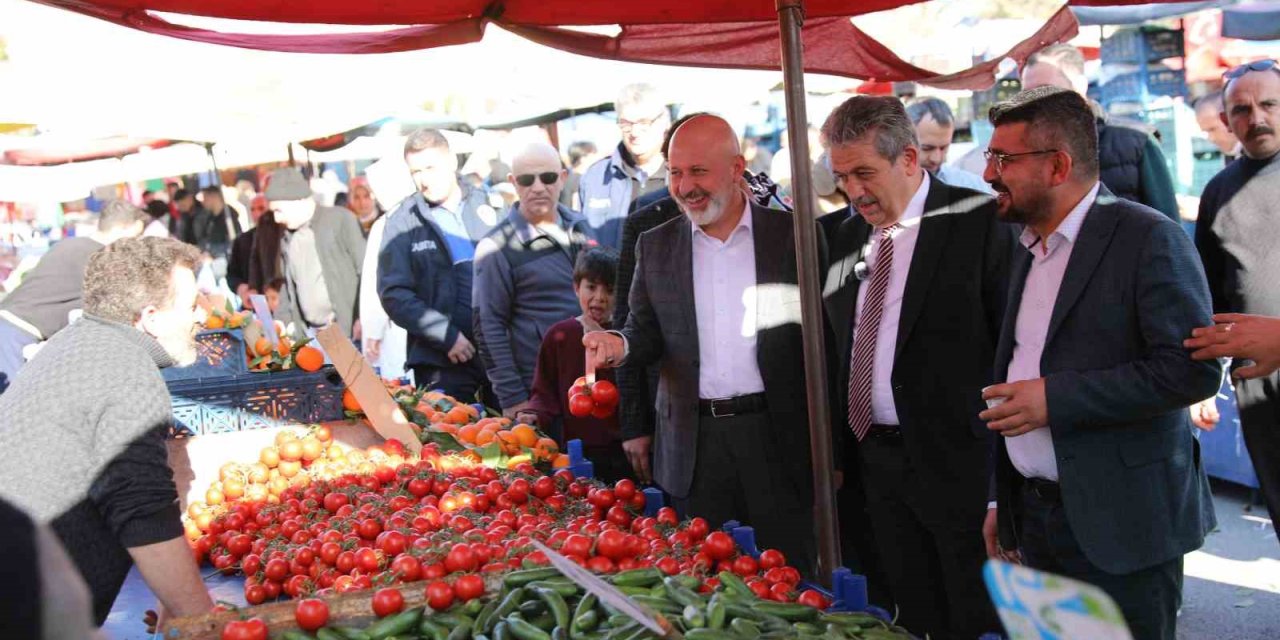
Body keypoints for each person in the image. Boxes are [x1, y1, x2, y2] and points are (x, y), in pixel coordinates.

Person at [978, 86, 1220, 640]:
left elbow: (1190, 371)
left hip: (1123, 530)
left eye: (1004, 159)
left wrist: (1054, 399)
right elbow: (1017, 367)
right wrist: (1003, 500)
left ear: (1058, 165)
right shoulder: (1024, 244)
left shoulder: (1148, 237)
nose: (990, 173)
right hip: (1036, 521)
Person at [583, 114, 820, 576]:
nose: (684, 186)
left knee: (790, 578)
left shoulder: (793, 236)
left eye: (698, 172)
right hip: (695, 444)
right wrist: (620, 345)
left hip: (776, 436)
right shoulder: (655, 245)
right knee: (704, 581)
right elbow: (644, 330)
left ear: (736, 169)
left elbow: (824, 344)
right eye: (675, 172)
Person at [820, 96, 1010, 639]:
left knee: (972, 618)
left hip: (959, 465)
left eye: (864, 173)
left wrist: (1001, 481)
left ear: (909, 159)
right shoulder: (838, 235)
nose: (854, 191)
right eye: (841, 176)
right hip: (872, 465)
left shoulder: (979, 223)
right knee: (909, 614)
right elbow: (839, 348)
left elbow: (1009, 348)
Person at [0, 236, 214, 629]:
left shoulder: (78, 343)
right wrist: (200, 620)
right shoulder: (125, 371)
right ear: (151, 317)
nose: (201, 316)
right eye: (190, 306)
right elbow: (142, 509)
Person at [1190, 58, 1280, 540]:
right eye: (1242, 109)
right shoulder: (1219, 192)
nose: (1256, 117)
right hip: (1256, 383)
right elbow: (1206, 293)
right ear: (1226, 121)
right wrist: (1204, 382)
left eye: (1268, 103)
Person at [474, 142, 595, 416]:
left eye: (548, 177)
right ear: (513, 183)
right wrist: (513, 399)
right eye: (527, 180)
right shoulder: (495, 247)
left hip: (591, 382)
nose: (538, 187)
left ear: (563, 178)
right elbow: (488, 327)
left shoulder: (581, 226)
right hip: (539, 393)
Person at [380, 129, 496, 401]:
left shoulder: (490, 203)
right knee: (453, 441)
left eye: (430, 167)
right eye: (415, 171)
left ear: (452, 161)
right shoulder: (402, 222)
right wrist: (445, 335)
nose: (423, 179)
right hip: (441, 362)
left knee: (519, 438)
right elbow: (394, 293)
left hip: (501, 354)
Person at [1021, 44, 1181, 223]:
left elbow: (1170, 231)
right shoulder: (1022, 152)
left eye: (1046, 89)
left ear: (1080, 86)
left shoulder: (1136, 141)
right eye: (1027, 94)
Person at [0, 200, 146, 392]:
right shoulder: (101, 257)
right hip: (19, 331)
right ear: (121, 228)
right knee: (13, 405)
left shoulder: (70, 245)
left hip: (11, 321)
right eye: (135, 236)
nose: (136, 243)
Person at [522, 247, 631, 481]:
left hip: (625, 449)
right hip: (574, 451)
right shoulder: (560, 335)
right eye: (591, 287)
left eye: (609, 290)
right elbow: (544, 391)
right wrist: (533, 414)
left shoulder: (628, 340)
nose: (599, 298)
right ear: (576, 288)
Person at [265, 167, 365, 338]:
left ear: (297, 200)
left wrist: (363, 317)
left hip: (348, 331)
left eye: (278, 210)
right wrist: (282, 323)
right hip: (310, 335)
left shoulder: (340, 220)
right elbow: (287, 288)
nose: (276, 219)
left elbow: (366, 272)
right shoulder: (287, 238)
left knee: (352, 367)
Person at [578, 83, 671, 249]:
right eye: (626, 123)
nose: (634, 132)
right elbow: (582, 243)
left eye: (643, 123)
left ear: (664, 122)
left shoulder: (681, 177)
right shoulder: (595, 178)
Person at [905, 97, 993, 193]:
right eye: (927, 148)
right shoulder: (888, 190)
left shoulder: (972, 186)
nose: (936, 158)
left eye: (944, 148)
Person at [188, 186, 244, 285]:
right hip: (210, 261)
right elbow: (206, 240)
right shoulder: (210, 218)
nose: (203, 201)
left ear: (214, 197)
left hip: (225, 264)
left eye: (205, 197)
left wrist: (212, 254)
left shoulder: (229, 219)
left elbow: (234, 245)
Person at [228, 194, 268, 309]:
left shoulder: (284, 238)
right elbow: (232, 274)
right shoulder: (242, 240)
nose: (256, 214)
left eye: (261, 208)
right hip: (253, 303)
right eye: (252, 209)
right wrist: (241, 288)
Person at [1194, 91, 1242, 163]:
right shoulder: (1230, 158)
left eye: (1212, 129)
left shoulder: (1260, 152)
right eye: (1207, 131)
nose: (1211, 139)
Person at [560, 141, 600, 210]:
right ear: (583, 158)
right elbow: (576, 208)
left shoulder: (567, 177)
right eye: (594, 153)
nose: (598, 158)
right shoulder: (579, 180)